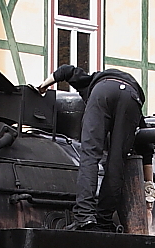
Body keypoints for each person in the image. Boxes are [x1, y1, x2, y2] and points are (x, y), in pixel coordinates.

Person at [36, 64, 145, 231]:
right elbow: (146, 146)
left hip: (103, 90)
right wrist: (149, 196)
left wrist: (42, 86)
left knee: (90, 155)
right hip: (132, 98)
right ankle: (104, 220)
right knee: (117, 162)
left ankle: (84, 216)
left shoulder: (89, 83)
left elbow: (65, 71)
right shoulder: (137, 109)